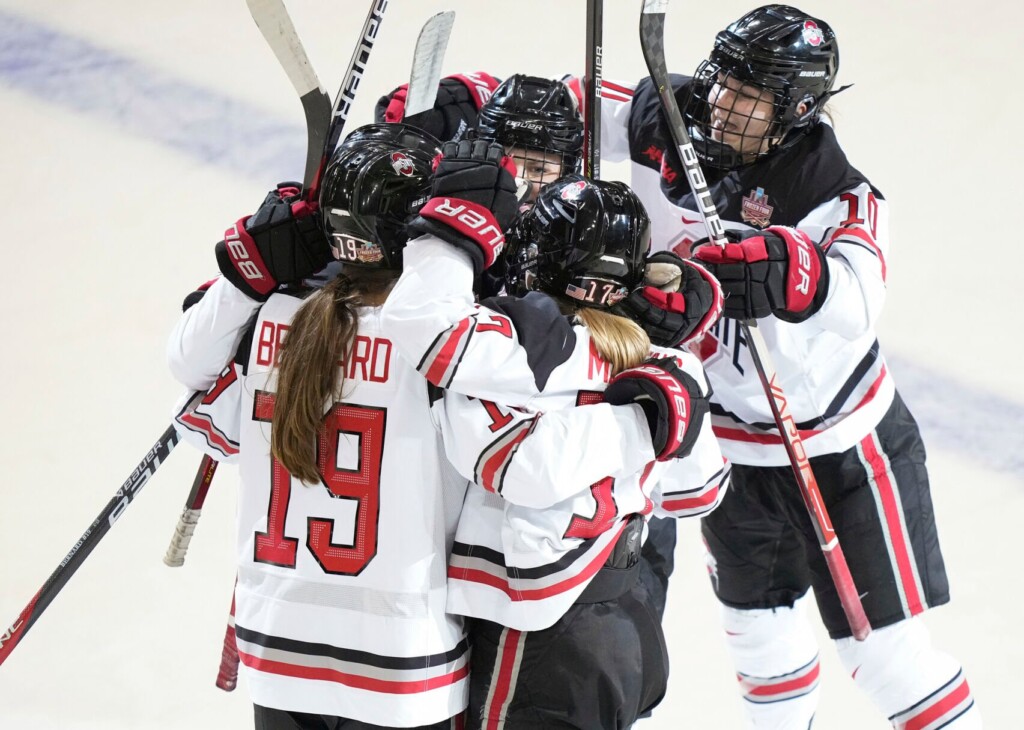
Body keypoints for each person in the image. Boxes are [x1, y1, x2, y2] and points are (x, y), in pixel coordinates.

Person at [166, 124, 700, 729]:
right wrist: (644, 357)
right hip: (403, 658)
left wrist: (240, 281)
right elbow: (562, 375)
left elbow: (200, 411)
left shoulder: (273, 323)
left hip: (276, 641)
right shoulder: (456, 351)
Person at [595, 5, 981, 728]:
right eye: (724, 82)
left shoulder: (831, 188)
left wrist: (792, 274)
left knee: (887, 658)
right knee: (759, 642)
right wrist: (477, 107)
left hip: (843, 448)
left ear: (797, 109)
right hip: (734, 450)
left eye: (751, 96)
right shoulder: (672, 123)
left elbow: (858, 288)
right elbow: (581, 106)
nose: (724, 103)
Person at [380, 141, 728, 729]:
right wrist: (648, 415)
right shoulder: (665, 362)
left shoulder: (509, 350)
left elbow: (509, 465)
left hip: (539, 633)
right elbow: (699, 493)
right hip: (627, 617)